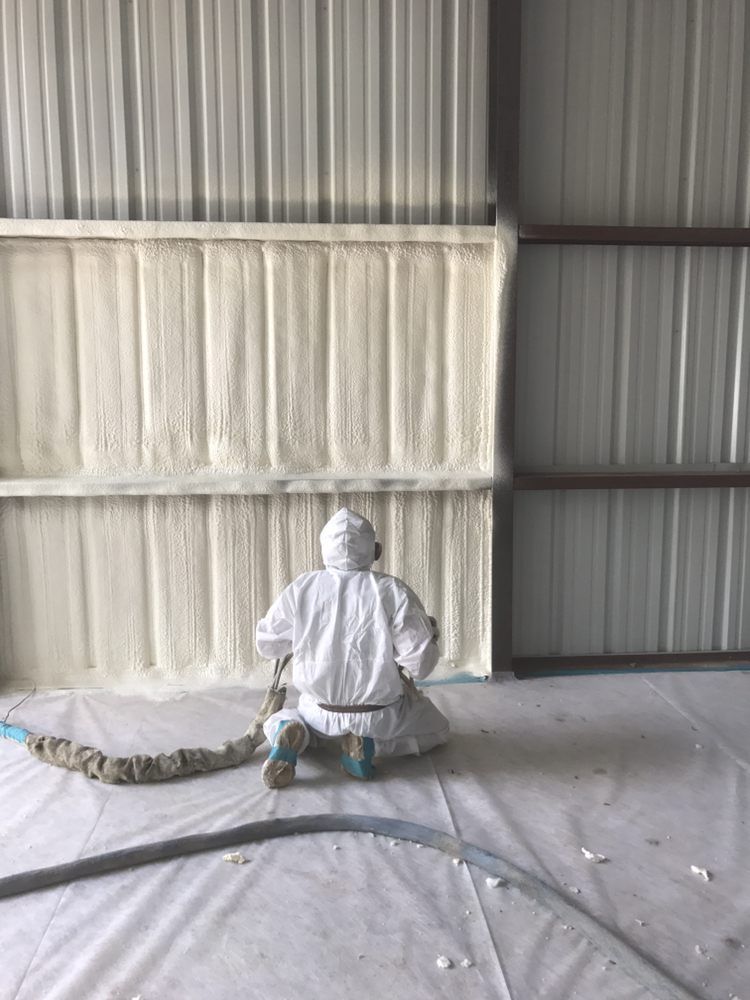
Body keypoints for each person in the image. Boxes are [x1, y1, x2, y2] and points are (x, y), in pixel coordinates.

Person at [256, 507, 449, 788]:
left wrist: (304, 634)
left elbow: (267, 645)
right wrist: (428, 635)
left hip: (318, 710)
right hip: (379, 714)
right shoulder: (393, 590)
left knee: (275, 720)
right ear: (376, 550)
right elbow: (421, 665)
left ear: (324, 551)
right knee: (438, 729)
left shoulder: (302, 587)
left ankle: (291, 732)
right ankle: (366, 744)